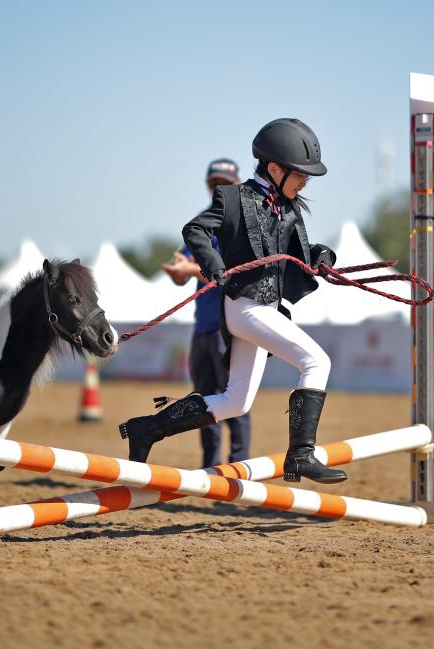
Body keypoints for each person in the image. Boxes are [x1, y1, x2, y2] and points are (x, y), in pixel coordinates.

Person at [119, 118, 346, 484]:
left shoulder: (289, 208)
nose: (306, 181)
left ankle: (147, 429)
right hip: (244, 307)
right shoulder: (233, 198)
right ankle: (301, 454)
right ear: (274, 169)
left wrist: (324, 258)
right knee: (316, 361)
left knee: (234, 402)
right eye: (301, 174)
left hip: (266, 311)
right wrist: (214, 267)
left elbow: (304, 252)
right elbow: (194, 229)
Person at [160, 158, 251, 468]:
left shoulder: (242, 225)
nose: (218, 188)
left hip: (230, 328)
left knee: (235, 400)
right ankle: (210, 467)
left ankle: (239, 466)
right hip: (203, 329)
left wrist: (188, 268)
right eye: (214, 183)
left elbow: (230, 271)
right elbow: (185, 270)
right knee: (204, 399)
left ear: (237, 184)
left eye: (224, 183)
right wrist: (178, 271)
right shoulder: (203, 221)